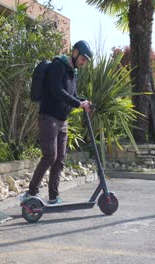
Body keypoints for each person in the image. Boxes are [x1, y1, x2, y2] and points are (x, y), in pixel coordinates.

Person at [21, 40, 93, 204]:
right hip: (49, 117)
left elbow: (73, 96)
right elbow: (57, 91)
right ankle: (31, 193)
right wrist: (78, 103)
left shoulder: (72, 72)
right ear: (75, 53)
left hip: (62, 120)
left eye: (85, 61)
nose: (83, 63)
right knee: (50, 156)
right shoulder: (57, 66)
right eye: (83, 59)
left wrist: (84, 102)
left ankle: (53, 196)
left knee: (60, 159)